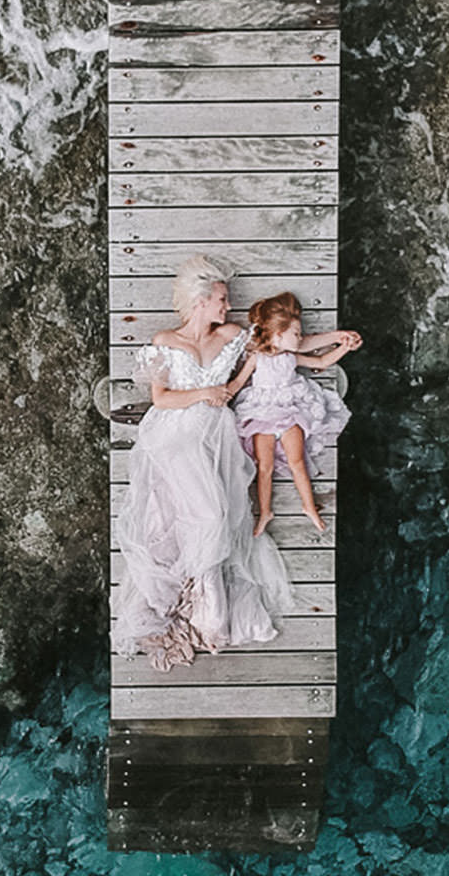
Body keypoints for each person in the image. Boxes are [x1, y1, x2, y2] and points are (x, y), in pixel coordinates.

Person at [112, 256, 298, 671]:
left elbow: (271, 344)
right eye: (221, 299)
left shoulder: (231, 336)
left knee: (220, 513)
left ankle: (205, 603)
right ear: (200, 302)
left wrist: (232, 386)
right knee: (205, 514)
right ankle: (194, 597)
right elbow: (161, 399)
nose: (228, 307)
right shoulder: (165, 340)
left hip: (216, 434)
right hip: (175, 434)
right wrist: (204, 393)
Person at [228, 292, 359, 536]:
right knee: (264, 466)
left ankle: (309, 506)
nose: (300, 338)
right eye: (296, 333)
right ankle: (265, 512)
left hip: (290, 411)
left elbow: (321, 361)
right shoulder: (257, 357)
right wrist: (220, 395)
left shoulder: (291, 357)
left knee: (297, 462)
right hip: (261, 413)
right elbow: (238, 382)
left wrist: (344, 347)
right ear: (279, 334)